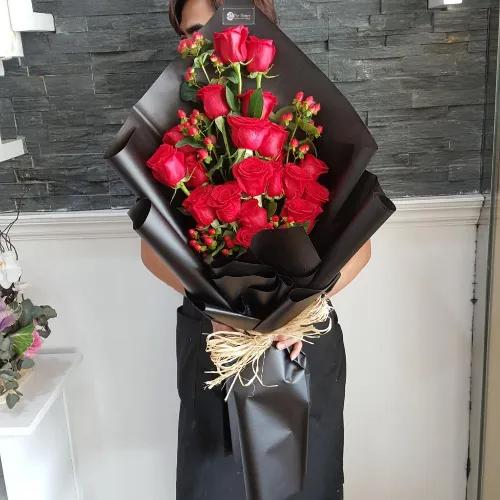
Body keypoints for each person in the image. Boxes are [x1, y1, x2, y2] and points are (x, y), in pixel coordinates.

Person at [142, 1, 371, 498]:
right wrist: (224, 311)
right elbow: (153, 252)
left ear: (260, 25)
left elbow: (360, 250)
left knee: (310, 479)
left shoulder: (307, 116)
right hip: (217, 342)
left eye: (219, 26)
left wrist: (293, 313)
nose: (203, 44)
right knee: (216, 480)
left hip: (303, 341)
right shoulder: (174, 131)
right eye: (192, 32)